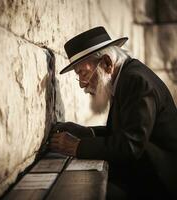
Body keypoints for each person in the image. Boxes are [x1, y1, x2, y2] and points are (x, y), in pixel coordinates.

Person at [49, 26, 177, 200]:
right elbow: (124, 131)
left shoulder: (136, 81)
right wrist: (87, 132)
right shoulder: (124, 76)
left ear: (107, 63)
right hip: (143, 171)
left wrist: (77, 146)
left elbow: (130, 146)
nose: (82, 84)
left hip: (158, 182)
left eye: (83, 73)